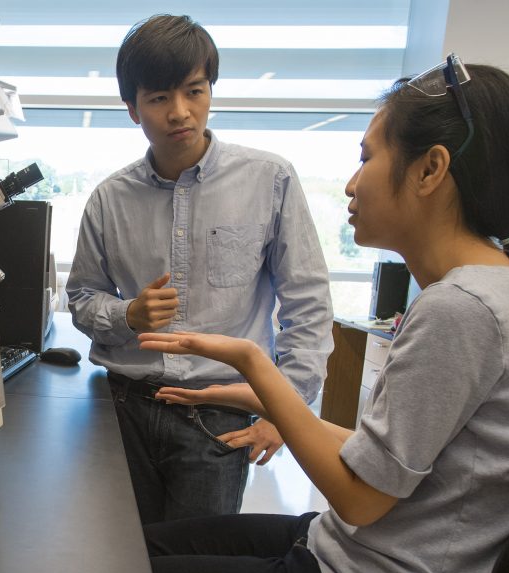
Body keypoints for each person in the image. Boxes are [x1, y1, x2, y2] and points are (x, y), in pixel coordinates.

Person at [137, 57, 509, 573]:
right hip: (368, 565)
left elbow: (362, 498)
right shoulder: (498, 293)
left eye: (366, 157)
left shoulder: (464, 310)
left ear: (430, 170)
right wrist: (264, 401)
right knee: (140, 547)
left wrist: (259, 368)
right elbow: (391, 463)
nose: (351, 183)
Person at [66, 14, 333, 524]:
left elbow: (308, 305)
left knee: (194, 569)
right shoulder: (109, 199)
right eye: (159, 98)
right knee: (119, 565)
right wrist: (128, 315)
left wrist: (286, 412)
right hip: (124, 410)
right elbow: (81, 297)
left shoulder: (269, 179)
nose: (180, 112)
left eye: (194, 91)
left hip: (219, 415)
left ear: (211, 90)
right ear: (132, 108)